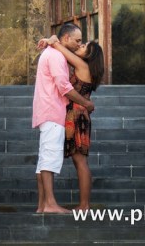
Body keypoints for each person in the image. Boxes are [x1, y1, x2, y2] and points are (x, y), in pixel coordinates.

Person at [32, 22, 95, 214]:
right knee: (48, 158)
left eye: (82, 44)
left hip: (58, 114)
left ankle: (45, 205)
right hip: (54, 112)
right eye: (77, 41)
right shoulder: (57, 55)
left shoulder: (58, 55)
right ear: (66, 38)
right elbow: (64, 87)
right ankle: (48, 204)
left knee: (47, 159)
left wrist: (52, 41)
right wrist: (87, 103)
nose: (79, 44)